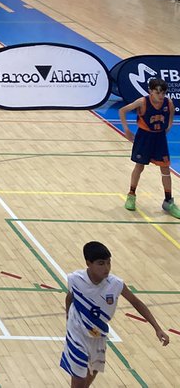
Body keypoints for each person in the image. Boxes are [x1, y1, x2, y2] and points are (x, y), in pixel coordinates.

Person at [61, 241, 169, 385]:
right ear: (88, 263)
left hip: (98, 335)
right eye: (101, 263)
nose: (106, 268)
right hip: (77, 334)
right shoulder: (75, 279)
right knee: (78, 381)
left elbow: (136, 302)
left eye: (108, 263)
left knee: (87, 380)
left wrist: (157, 328)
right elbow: (70, 297)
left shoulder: (116, 284)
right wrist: (69, 318)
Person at [119, 78, 180, 218]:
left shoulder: (168, 102)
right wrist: (126, 130)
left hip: (159, 138)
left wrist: (169, 126)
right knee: (139, 166)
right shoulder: (142, 102)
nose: (160, 96)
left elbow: (171, 113)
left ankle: (168, 201)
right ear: (150, 91)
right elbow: (122, 111)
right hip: (144, 137)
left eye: (163, 93)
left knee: (165, 169)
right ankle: (131, 195)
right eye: (157, 92)